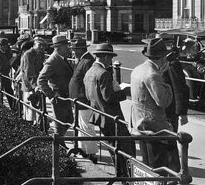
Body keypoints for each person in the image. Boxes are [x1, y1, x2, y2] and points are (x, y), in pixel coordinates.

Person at [84, 43, 135, 176]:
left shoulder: (89, 72)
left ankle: (120, 173)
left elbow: (89, 95)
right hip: (111, 116)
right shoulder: (104, 74)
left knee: (113, 147)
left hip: (99, 115)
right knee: (124, 147)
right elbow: (109, 97)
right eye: (110, 57)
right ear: (106, 57)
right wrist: (123, 92)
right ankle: (125, 176)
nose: (111, 61)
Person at [130, 38, 176, 170]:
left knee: (147, 164)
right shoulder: (153, 75)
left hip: (139, 124)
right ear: (162, 58)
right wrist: (167, 85)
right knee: (159, 166)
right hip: (155, 128)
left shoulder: (138, 69)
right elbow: (163, 102)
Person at [37, 35, 74, 138]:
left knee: (69, 120)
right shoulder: (52, 61)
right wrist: (51, 95)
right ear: (58, 48)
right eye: (66, 46)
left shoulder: (62, 58)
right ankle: (57, 147)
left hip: (65, 97)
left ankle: (59, 142)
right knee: (59, 125)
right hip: (59, 98)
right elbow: (41, 80)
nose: (68, 48)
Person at [68, 37, 97, 159]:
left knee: (86, 127)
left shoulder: (87, 61)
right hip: (79, 101)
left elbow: (89, 82)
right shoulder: (83, 60)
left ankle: (90, 153)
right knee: (81, 126)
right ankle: (83, 150)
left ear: (81, 49)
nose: (73, 52)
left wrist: (87, 99)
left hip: (83, 101)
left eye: (75, 50)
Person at [20, 37, 46, 123]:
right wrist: (34, 86)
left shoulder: (39, 54)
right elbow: (29, 73)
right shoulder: (29, 54)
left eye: (43, 45)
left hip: (36, 85)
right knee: (31, 111)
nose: (41, 47)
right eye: (39, 45)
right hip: (30, 86)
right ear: (34, 45)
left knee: (38, 108)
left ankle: (40, 125)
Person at [164, 46, 189, 132]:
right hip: (163, 110)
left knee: (171, 138)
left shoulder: (172, 64)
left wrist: (182, 113)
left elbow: (179, 89)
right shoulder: (164, 63)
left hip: (170, 111)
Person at [0, 38, 15, 108]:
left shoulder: (1, 52)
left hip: (3, 74)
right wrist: (11, 61)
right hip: (0, 75)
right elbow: (1, 66)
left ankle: (12, 107)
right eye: (6, 46)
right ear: (1, 46)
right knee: (8, 91)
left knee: (9, 91)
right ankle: (12, 107)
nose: (7, 48)